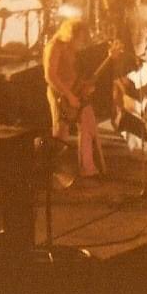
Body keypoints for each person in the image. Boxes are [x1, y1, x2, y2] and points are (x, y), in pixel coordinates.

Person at [102, 0, 147, 159]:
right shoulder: (121, 8)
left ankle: (125, 129)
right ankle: (140, 146)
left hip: (142, 61)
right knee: (131, 102)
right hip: (124, 60)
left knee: (136, 102)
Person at [43, 18, 103, 181]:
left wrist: (83, 87)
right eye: (80, 38)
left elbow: (71, 71)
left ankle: (88, 168)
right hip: (60, 95)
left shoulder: (70, 47)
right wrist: (68, 95)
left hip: (75, 92)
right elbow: (50, 75)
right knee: (61, 135)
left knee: (88, 125)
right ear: (71, 34)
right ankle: (50, 173)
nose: (81, 42)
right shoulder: (54, 46)